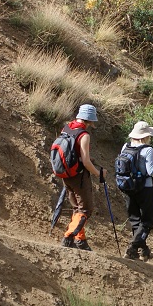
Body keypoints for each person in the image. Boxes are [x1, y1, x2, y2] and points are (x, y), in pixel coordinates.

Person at [116, 120, 153, 261]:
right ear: (146, 136)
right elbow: (151, 171)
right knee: (146, 221)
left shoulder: (125, 146)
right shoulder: (148, 149)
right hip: (145, 188)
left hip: (129, 187)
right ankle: (132, 248)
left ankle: (143, 251)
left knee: (135, 219)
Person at [59, 104, 104, 250]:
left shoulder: (66, 128)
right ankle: (69, 236)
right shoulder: (84, 135)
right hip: (79, 176)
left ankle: (80, 240)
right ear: (90, 120)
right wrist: (98, 173)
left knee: (76, 208)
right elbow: (86, 162)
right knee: (86, 209)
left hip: (65, 174)